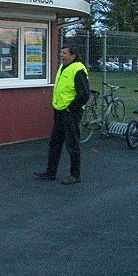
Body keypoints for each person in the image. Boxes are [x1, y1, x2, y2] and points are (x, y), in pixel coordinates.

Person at [34, 46, 90, 185]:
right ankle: (51, 172)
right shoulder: (63, 67)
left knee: (72, 144)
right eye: (61, 52)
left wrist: (71, 107)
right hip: (59, 112)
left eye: (64, 53)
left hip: (70, 113)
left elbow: (84, 94)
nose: (61, 55)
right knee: (55, 142)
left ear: (73, 55)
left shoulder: (78, 69)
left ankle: (75, 175)